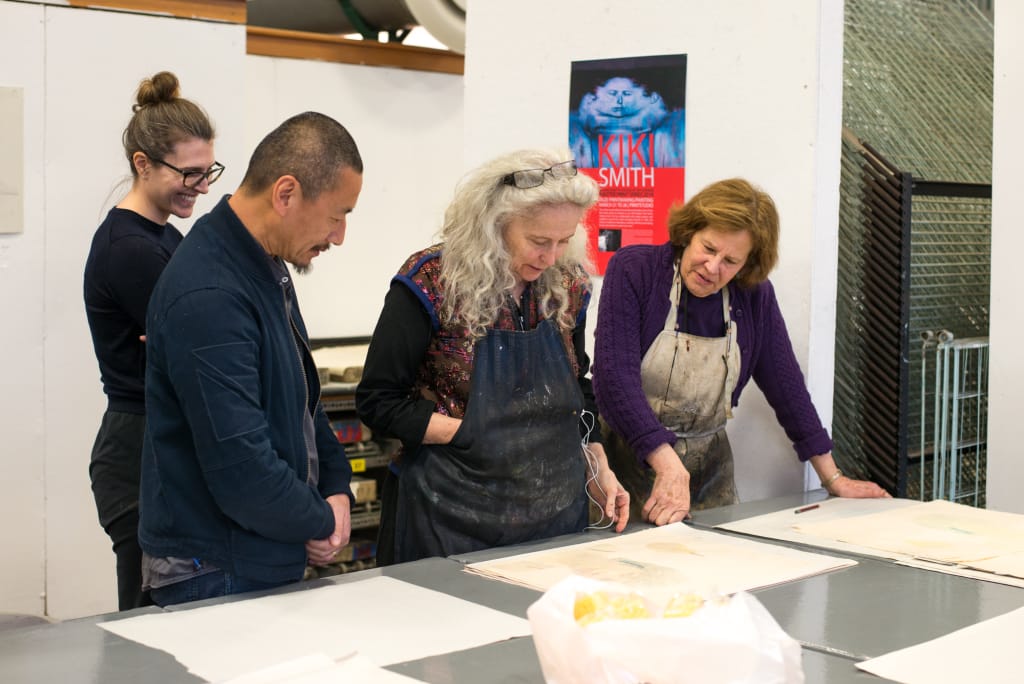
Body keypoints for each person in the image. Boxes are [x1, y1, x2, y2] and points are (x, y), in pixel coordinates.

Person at [355, 149, 630, 565]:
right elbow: (379, 400)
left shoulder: (567, 285)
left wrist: (599, 468)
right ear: (494, 225)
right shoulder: (433, 282)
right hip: (448, 517)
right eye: (538, 241)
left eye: (563, 240)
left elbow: (578, 388)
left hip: (551, 513)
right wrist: (470, 433)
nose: (552, 256)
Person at [138, 111, 362, 606]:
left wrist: (337, 488)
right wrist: (320, 519)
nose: (340, 235)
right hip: (213, 569)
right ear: (286, 194)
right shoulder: (209, 291)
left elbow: (306, 403)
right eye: (335, 215)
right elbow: (241, 468)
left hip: (259, 551)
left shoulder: (265, 267)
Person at [593, 178, 890, 526]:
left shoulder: (753, 296)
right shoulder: (635, 270)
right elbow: (614, 380)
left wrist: (833, 478)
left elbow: (787, 386)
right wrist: (667, 462)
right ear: (689, 233)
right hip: (626, 465)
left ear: (747, 265)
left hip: (710, 472)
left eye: (730, 261)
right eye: (708, 248)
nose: (712, 267)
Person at [84, 71, 221, 610]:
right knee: (148, 627)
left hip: (153, 442)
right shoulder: (131, 249)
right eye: (189, 173)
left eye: (208, 171)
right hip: (138, 448)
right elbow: (198, 347)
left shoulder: (163, 236)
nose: (203, 186)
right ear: (143, 164)